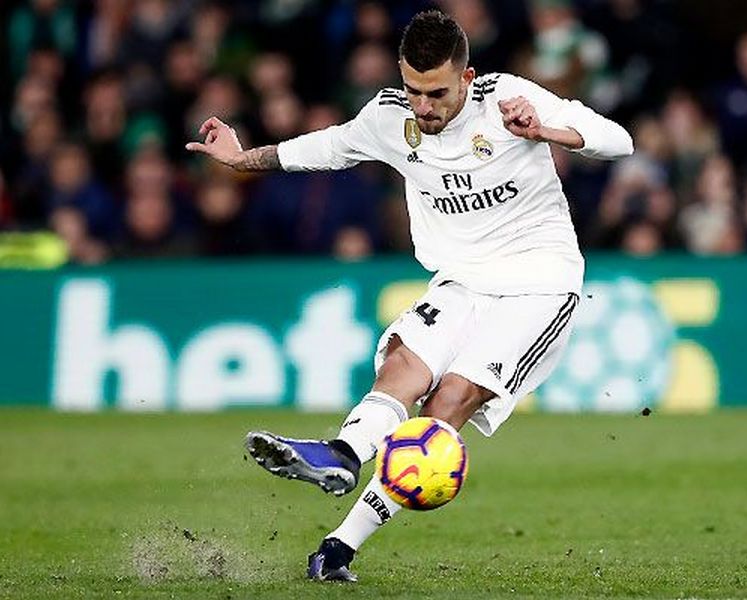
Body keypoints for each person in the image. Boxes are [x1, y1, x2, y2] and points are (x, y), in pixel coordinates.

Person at [186, 9, 633, 582]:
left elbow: (619, 141)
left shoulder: (508, 100)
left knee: (448, 401)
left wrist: (545, 132)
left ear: (467, 79)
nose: (423, 107)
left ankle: (343, 542)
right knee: (402, 365)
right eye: (413, 90)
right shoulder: (389, 118)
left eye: (437, 93)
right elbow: (325, 147)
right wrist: (239, 159)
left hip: (538, 283)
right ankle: (342, 456)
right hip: (461, 280)